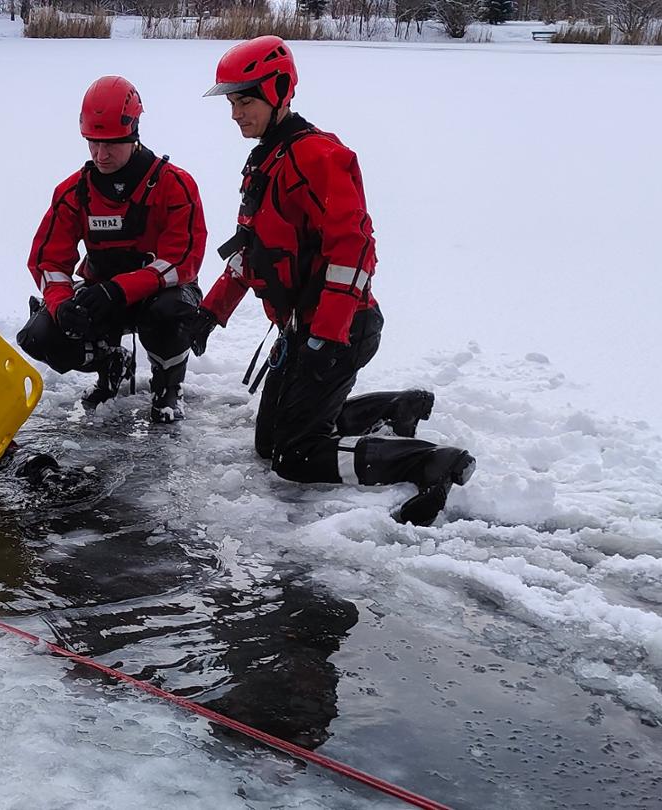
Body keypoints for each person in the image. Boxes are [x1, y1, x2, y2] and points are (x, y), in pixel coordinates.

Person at [189, 37, 476, 526]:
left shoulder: (319, 157)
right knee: (269, 442)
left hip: (342, 330)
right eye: (233, 103)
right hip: (302, 331)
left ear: (278, 91)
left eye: (245, 100)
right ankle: (395, 406)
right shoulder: (265, 160)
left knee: (294, 458)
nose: (236, 113)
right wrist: (210, 313)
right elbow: (251, 252)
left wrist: (326, 333)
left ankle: (430, 460)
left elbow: (356, 250)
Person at [17, 75, 209, 422]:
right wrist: (61, 306)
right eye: (93, 143)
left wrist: (121, 289)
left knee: (169, 315)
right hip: (98, 294)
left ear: (134, 134)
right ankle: (110, 363)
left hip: (161, 293)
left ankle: (167, 386)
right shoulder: (74, 191)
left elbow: (184, 258)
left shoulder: (173, 184)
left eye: (111, 144)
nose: (100, 154)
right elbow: (48, 261)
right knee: (40, 336)